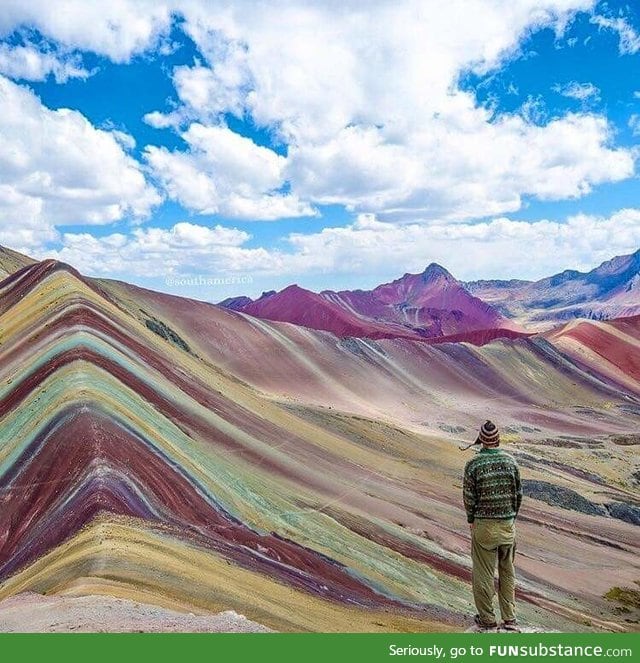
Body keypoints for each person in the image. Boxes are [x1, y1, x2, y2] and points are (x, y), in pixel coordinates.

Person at [463, 420, 523, 631]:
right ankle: (510, 618)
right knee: (507, 572)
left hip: (484, 527)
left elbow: (469, 497)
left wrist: (471, 520)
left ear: (481, 440)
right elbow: (518, 495)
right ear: (498, 439)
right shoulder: (511, 461)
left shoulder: (473, 464)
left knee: (483, 573)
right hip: (507, 525)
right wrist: (510, 517)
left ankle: (487, 619)